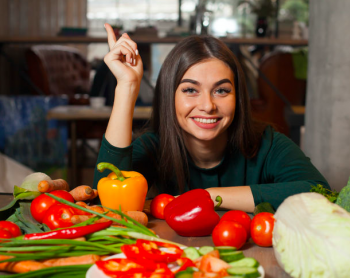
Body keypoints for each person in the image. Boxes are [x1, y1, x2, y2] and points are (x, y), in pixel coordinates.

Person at [93, 23, 330, 212]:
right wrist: (127, 86)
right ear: (170, 97)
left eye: (221, 90)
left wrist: (205, 197)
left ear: (237, 96)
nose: (208, 105)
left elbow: (320, 194)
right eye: (190, 90)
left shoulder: (268, 144)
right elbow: (103, 201)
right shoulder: (155, 145)